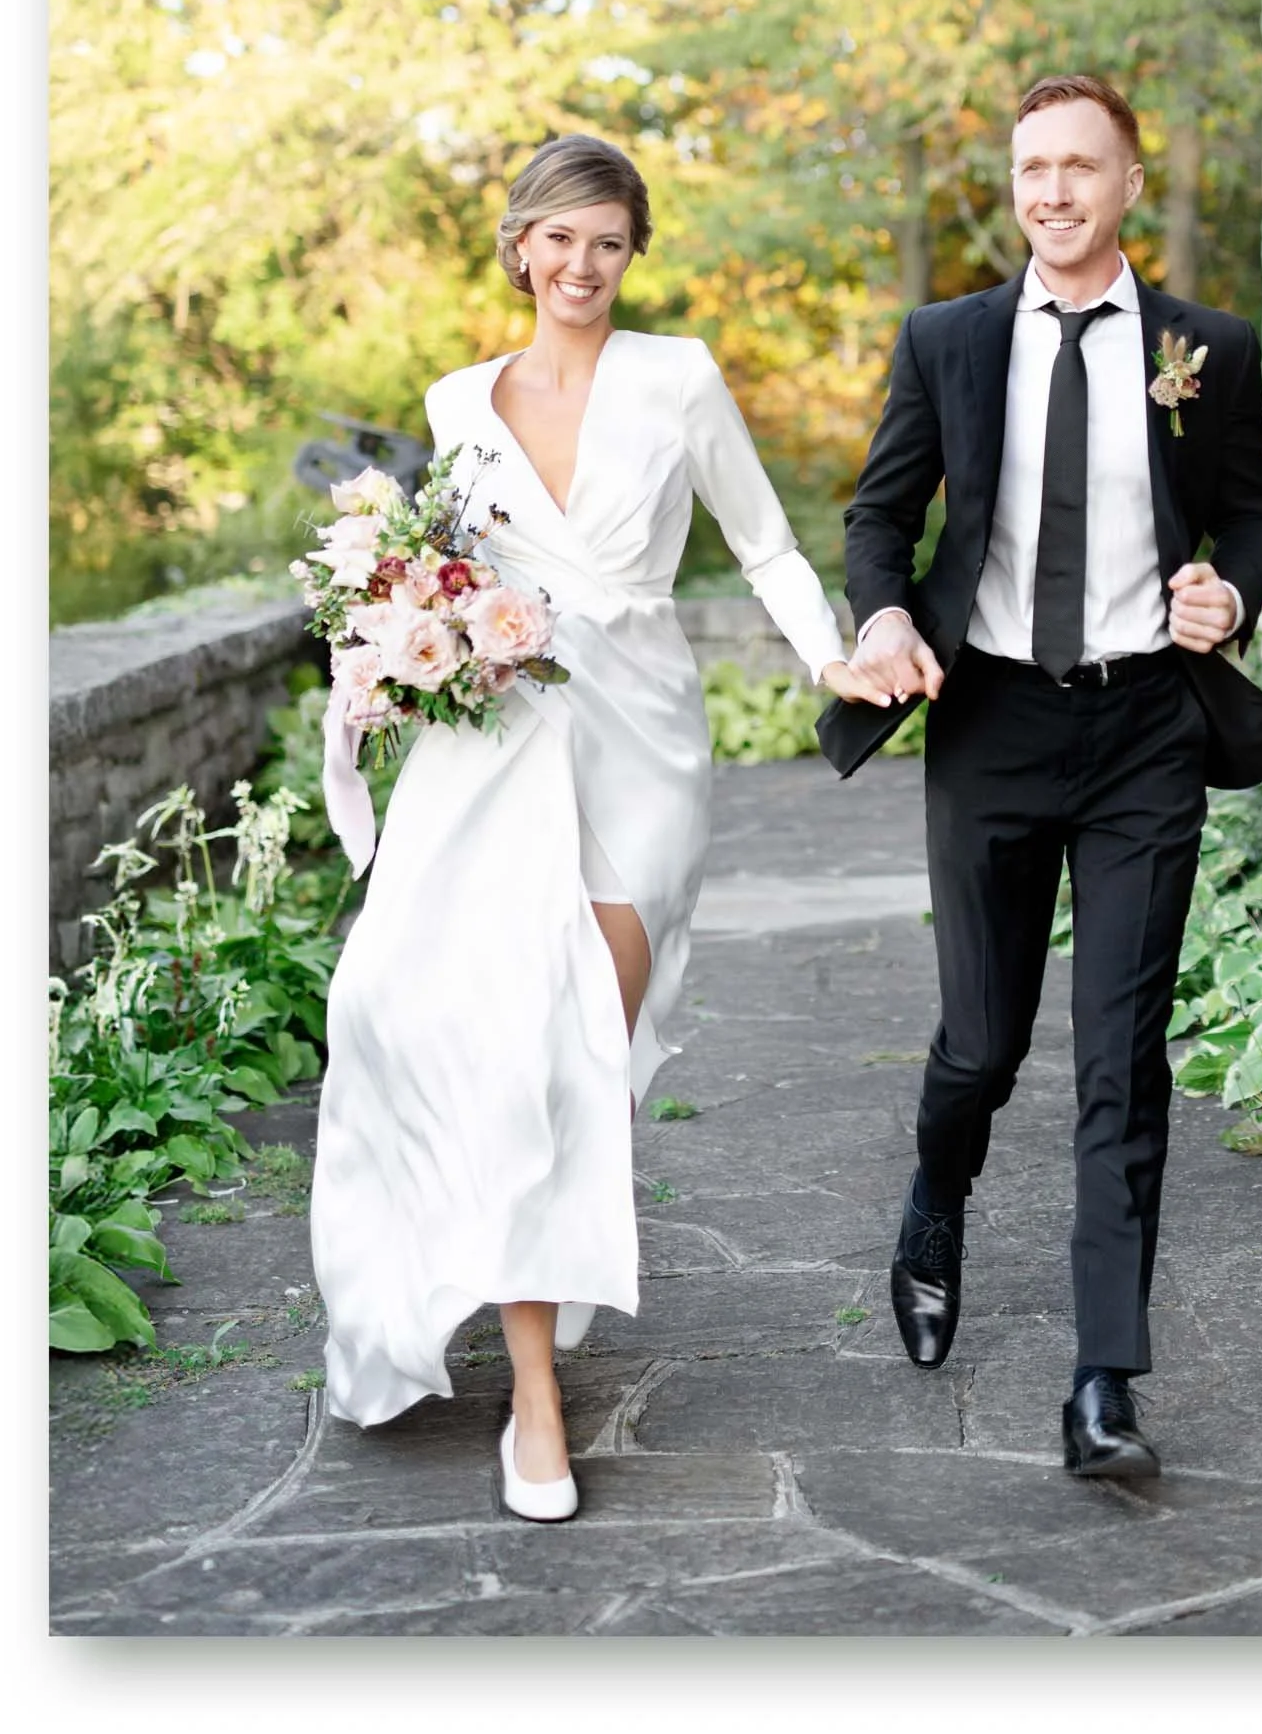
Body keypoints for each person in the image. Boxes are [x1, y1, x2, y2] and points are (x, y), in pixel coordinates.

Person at [310, 132, 874, 1522]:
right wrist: (393, 655)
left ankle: (533, 1275)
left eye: (607, 242)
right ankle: (533, 1399)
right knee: (464, 1034)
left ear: (633, 253)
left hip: (641, 754)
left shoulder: (677, 380)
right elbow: (435, 572)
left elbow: (769, 545)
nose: (581, 265)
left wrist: (832, 654)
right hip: (490, 754)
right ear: (519, 247)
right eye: (558, 239)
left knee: (579, 1061)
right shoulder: (457, 401)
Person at [820, 74, 1262, 1482]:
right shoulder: (949, 339)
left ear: (1129, 183)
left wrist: (1231, 594)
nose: (1054, 191)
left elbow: (1253, 510)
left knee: (1120, 1058)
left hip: (1147, 724)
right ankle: (934, 1198)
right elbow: (880, 513)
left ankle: (1103, 1383)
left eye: (1082, 166)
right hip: (994, 726)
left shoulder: (1206, 347)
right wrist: (886, 613)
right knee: (984, 1042)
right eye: (1033, 167)